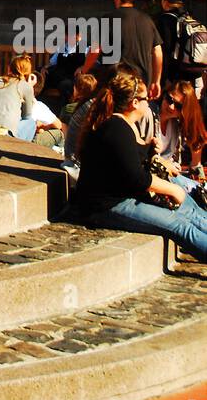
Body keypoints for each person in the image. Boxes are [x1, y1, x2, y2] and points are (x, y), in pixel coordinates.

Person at [70, 67, 207, 261]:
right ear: (135, 103)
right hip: (106, 206)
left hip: (123, 196)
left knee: (190, 208)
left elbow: (130, 161)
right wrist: (172, 190)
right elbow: (137, 178)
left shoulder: (124, 125)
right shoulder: (116, 129)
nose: (150, 103)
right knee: (180, 224)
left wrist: (150, 150)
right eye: (146, 99)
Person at [113, 0, 162, 99]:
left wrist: (84, 70)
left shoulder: (109, 18)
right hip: (143, 82)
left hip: (119, 82)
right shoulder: (147, 19)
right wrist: (156, 81)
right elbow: (157, 51)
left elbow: (95, 49)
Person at [153, 81, 206, 180]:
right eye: (170, 99)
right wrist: (167, 164)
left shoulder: (175, 124)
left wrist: (196, 167)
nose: (171, 106)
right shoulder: (150, 115)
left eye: (178, 106)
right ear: (165, 94)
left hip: (167, 176)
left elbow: (196, 139)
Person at [17, 70, 63, 148]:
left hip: (12, 135)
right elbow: (58, 125)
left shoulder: (13, 98)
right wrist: (44, 126)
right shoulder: (38, 106)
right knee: (59, 133)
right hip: (26, 142)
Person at [62, 70, 98, 163]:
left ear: (77, 89)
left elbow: (67, 134)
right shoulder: (94, 107)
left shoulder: (68, 109)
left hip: (71, 155)